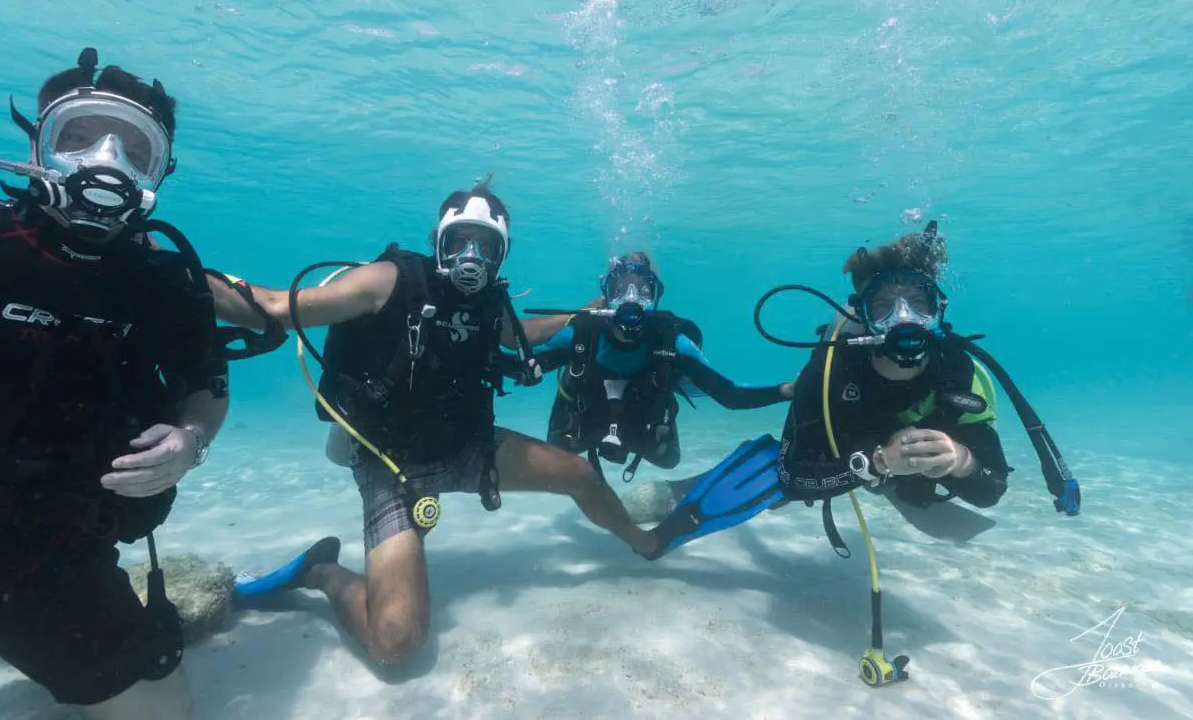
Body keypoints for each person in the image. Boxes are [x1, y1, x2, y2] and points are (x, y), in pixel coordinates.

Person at [207, 183, 660, 666]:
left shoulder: (491, 300)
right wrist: (186, 280)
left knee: (581, 475)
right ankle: (321, 572)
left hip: (465, 446)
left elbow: (518, 336)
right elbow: (276, 307)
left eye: (486, 246)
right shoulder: (390, 280)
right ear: (439, 241)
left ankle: (648, 542)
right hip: (389, 461)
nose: (472, 257)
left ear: (501, 253)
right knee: (395, 643)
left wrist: (587, 311)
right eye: (461, 241)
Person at [0, 48, 228, 719]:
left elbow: (207, 383)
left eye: (136, 150)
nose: (106, 161)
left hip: (53, 556)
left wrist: (191, 438)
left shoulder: (164, 283)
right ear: (37, 147)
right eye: (80, 136)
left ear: (158, 172)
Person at [645, 224, 1013, 559]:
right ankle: (688, 492)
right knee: (779, 486)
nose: (903, 317)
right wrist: (877, 463)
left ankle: (894, 483)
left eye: (919, 304)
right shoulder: (832, 370)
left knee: (914, 485)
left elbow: (992, 488)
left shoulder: (963, 374)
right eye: (884, 306)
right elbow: (793, 477)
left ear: (938, 310)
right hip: (840, 454)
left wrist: (962, 460)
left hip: (901, 473)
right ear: (865, 315)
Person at [531, 251, 792, 481]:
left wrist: (783, 391)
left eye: (643, 290)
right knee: (558, 451)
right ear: (606, 296)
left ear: (656, 296)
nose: (631, 298)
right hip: (585, 423)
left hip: (640, 425)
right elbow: (525, 364)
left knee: (667, 458)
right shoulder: (581, 335)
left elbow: (730, 395)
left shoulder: (672, 343)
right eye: (620, 289)